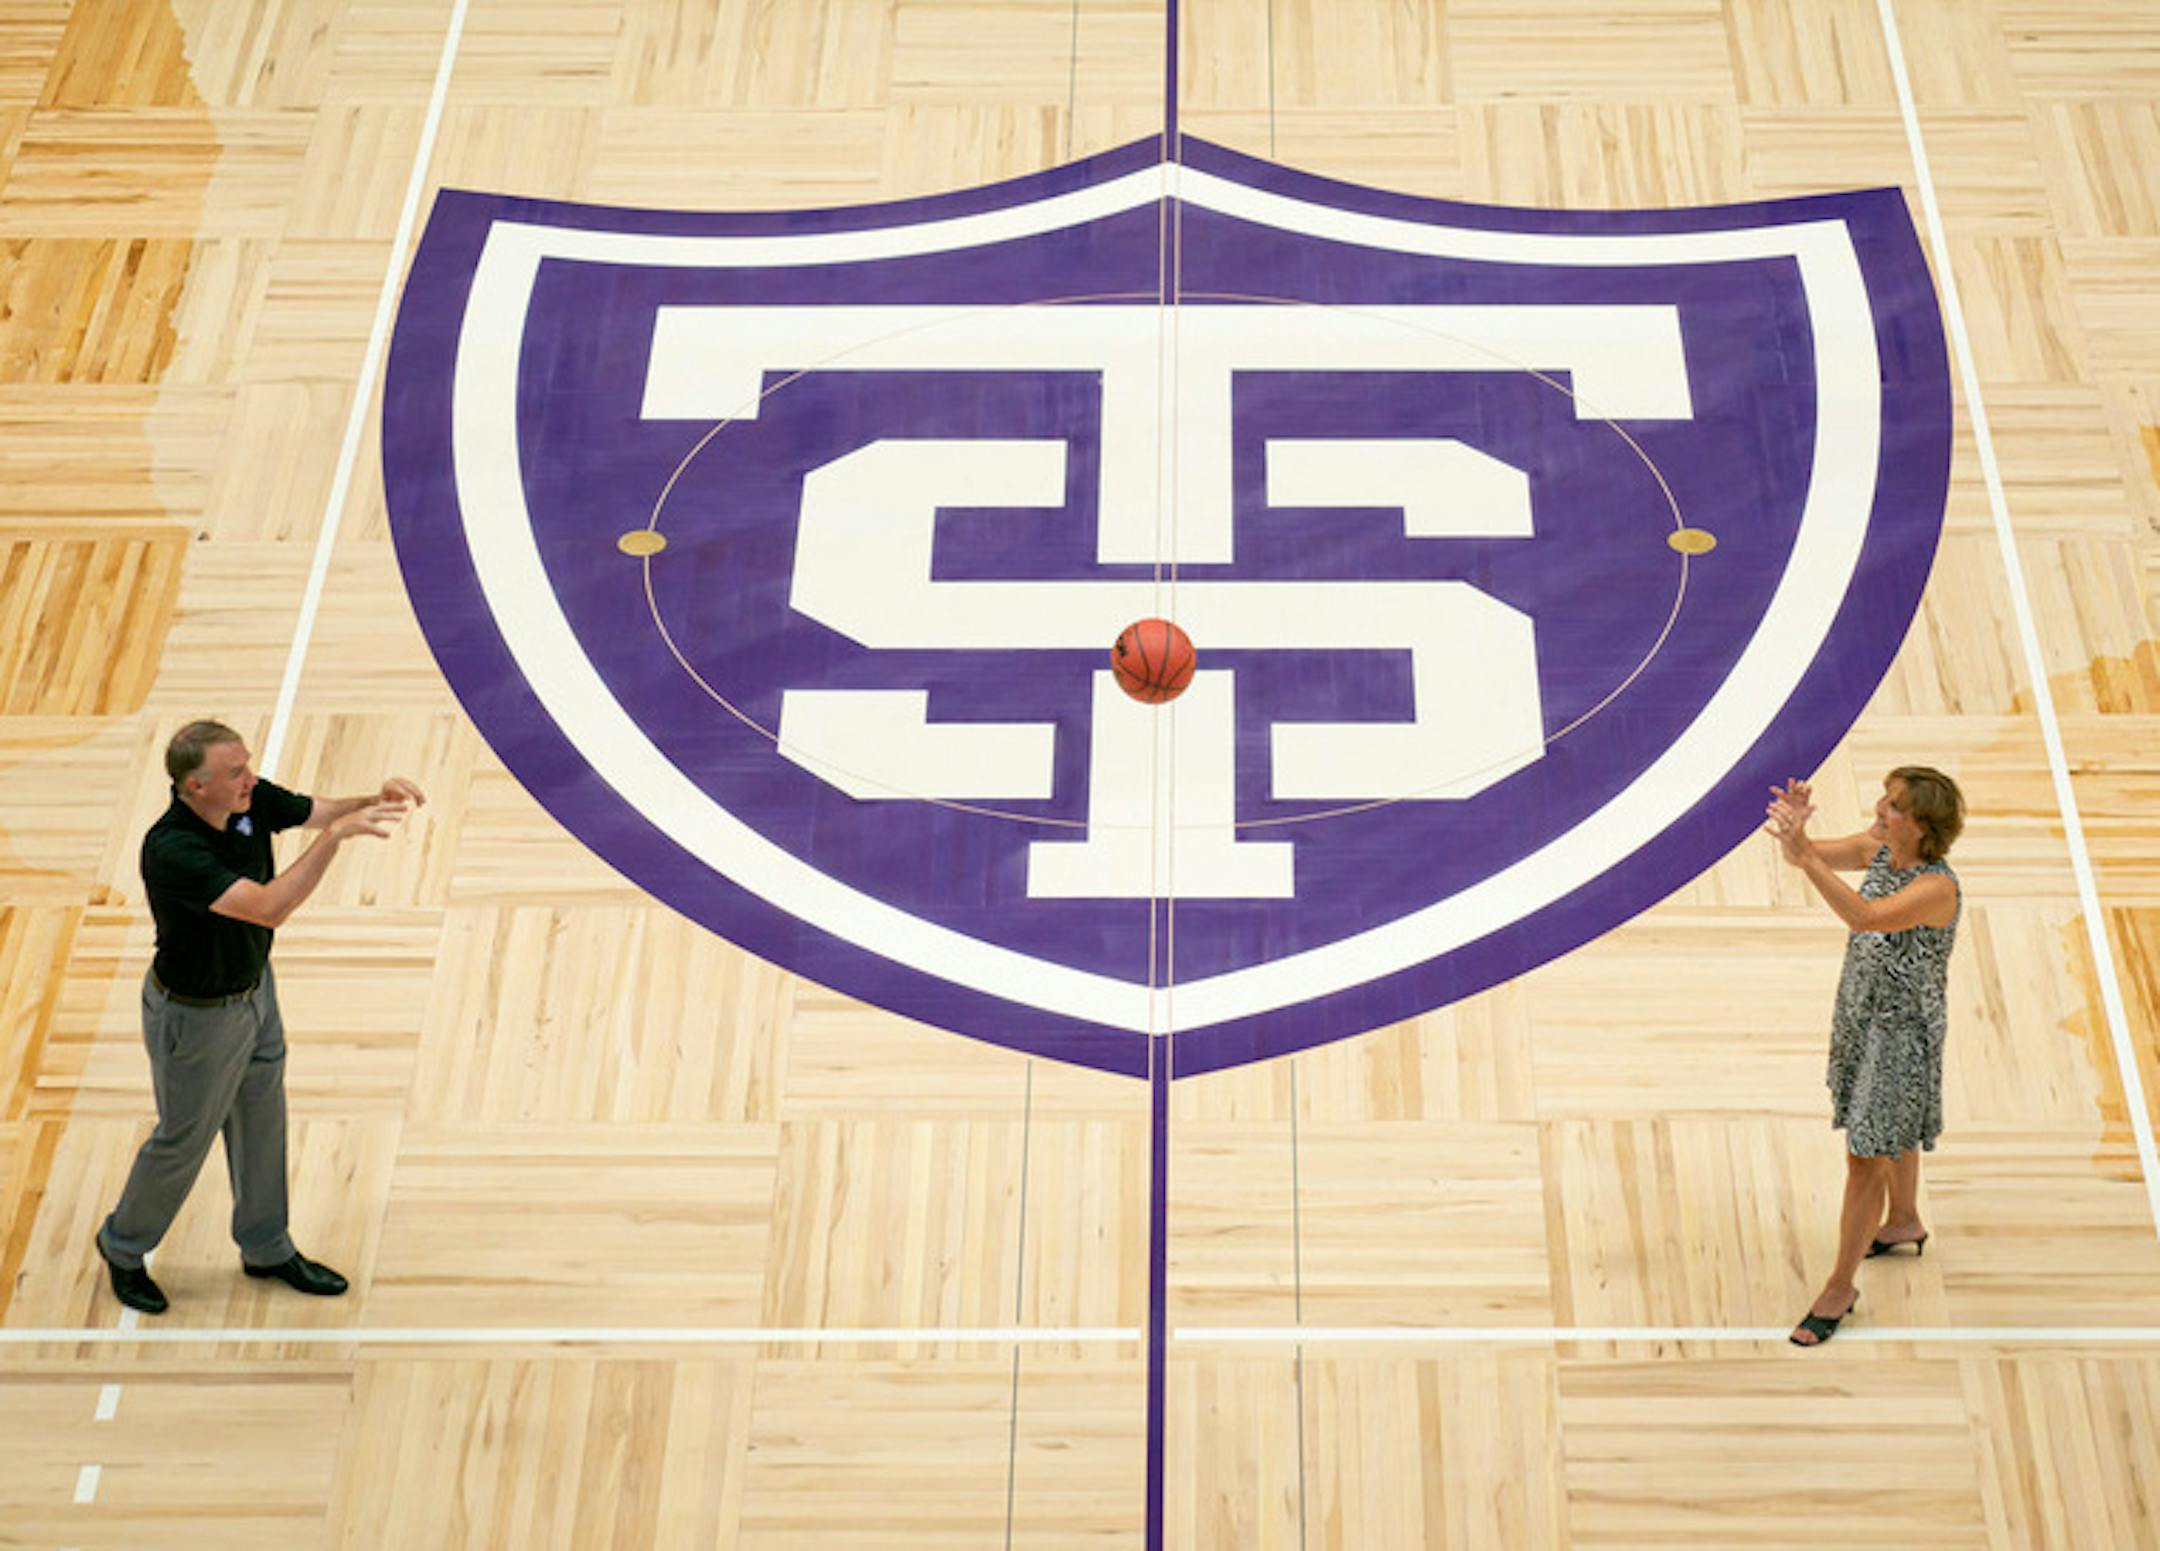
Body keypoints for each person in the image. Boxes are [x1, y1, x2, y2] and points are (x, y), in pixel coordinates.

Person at [94, 720, 424, 1315]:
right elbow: (269, 909)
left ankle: (267, 1246)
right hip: (195, 1019)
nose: (250, 779)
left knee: (261, 1116)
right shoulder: (174, 850)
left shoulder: (246, 805)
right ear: (195, 787)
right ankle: (122, 1246)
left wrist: (375, 800)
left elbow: (319, 810)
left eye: (246, 766)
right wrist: (334, 842)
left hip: (252, 993)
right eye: (235, 772)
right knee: (183, 1138)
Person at [1765, 766, 1963, 1347]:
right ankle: (1903, 1219)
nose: (1880, 807)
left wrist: (1808, 862)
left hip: (1900, 1031)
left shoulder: (1936, 887)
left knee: (1864, 1156)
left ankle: (1838, 1287)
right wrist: (1798, 838)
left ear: (1922, 826)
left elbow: (1866, 917)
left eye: (1895, 805)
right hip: (1862, 1009)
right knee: (1893, 1127)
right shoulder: (1879, 847)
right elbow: (1808, 856)